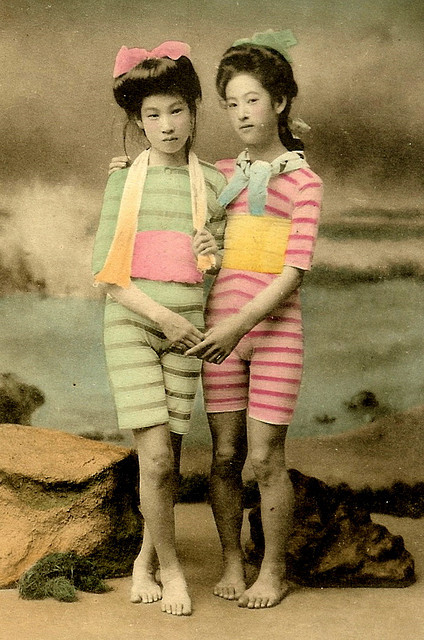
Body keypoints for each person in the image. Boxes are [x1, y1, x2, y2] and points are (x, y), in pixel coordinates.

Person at [185, 29, 323, 609]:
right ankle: (231, 561)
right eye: (231, 103)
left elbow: (292, 274)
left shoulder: (305, 182)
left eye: (253, 100)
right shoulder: (222, 175)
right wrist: (127, 167)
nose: (241, 113)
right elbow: (164, 177)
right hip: (221, 332)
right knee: (223, 457)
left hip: (271, 335)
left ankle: (273, 571)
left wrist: (236, 326)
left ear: (280, 102)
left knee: (265, 459)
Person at [92, 41, 226, 616]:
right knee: (157, 460)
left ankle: (145, 557)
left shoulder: (215, 183)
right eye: (152, 114)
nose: (166, 125)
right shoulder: (124, 181)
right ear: (137, 120)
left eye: (176, 110)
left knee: (165, 460)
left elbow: (222, 270)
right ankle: (172, 570)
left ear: (194, 112)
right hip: (135, 324)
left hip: (189, 332)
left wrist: (215, 253)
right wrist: (166, 318)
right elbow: (108, 275)